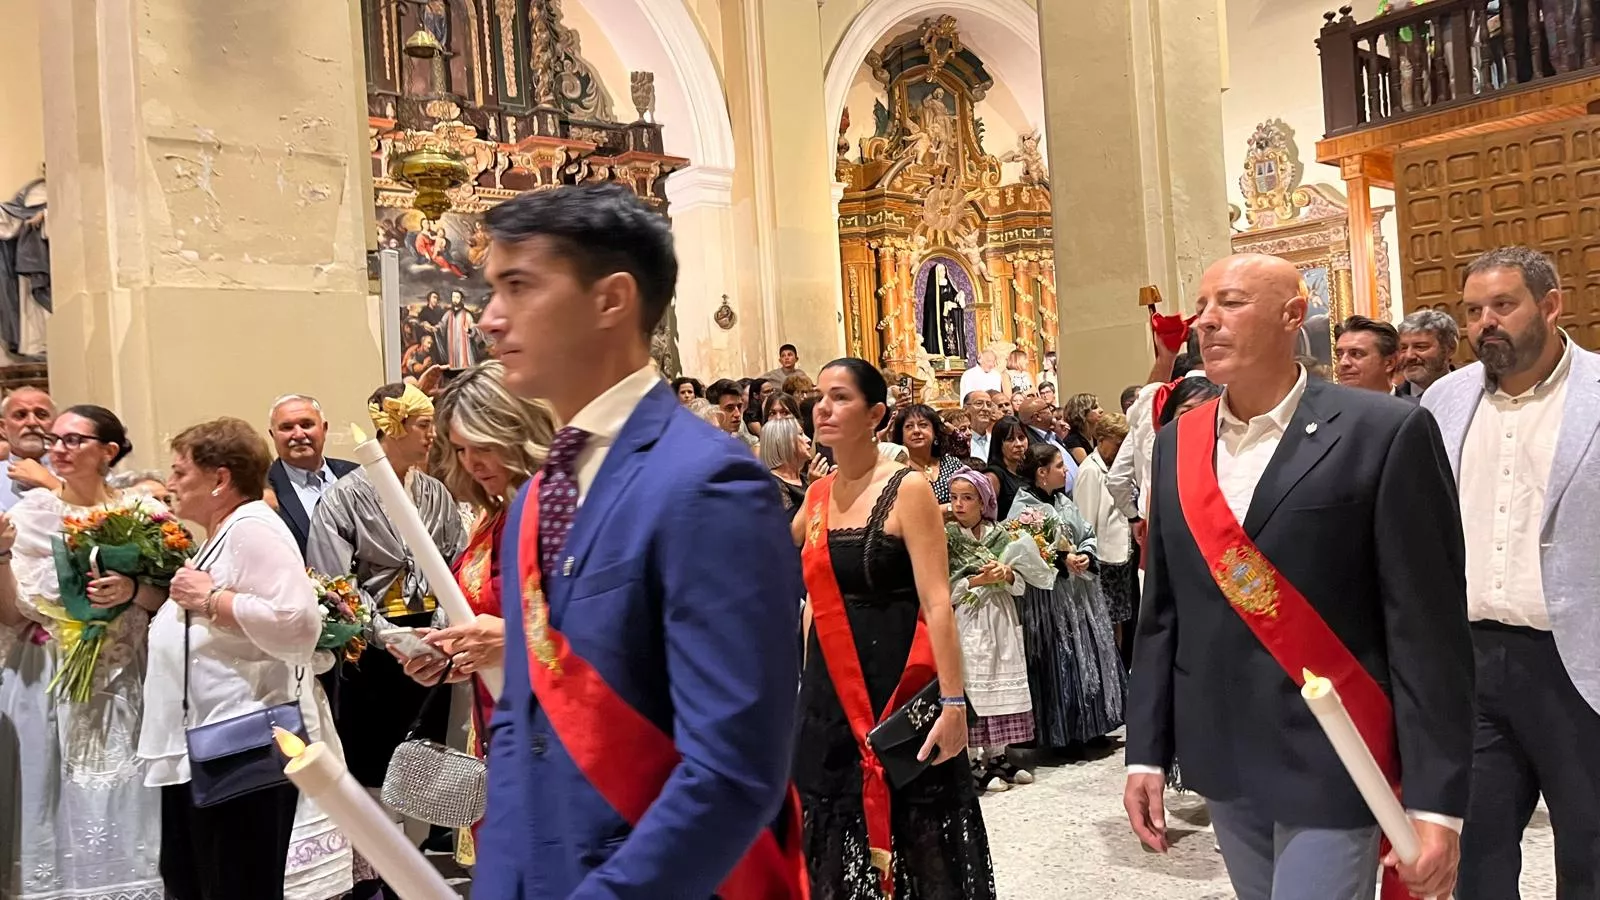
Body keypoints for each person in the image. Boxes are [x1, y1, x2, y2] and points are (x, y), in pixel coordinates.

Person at [473, 183, 805, 898]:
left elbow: (733, 768)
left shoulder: (708, 483)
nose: (489, 320)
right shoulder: (535, 498)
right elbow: (518, 730)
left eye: (518, 286)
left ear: (611, 300)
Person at [1125, 253, 1473, 900]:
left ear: (1294, 314)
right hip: (1223, 751)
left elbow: (1426, 630)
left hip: (1336, 755)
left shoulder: (1385, 432)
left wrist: (1436, 801)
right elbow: (1163, 612)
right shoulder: (1179, 441)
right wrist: (1146, 750)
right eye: (1203, 306)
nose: (1206, 321)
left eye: (1230, 302)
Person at [1420, 246, 1600, 898]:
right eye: (1472, 311)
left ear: (1551, 306)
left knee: (1590, 849)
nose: (1485, 323)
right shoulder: (1444, 400)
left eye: (1503, 305)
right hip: (1470, 663)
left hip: (1577, 665)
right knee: (1476, 853)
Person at [794, 358, 994, 899]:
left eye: (840, 397)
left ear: (876, 414)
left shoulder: (908, 489)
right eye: (819, 396)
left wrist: (954, 705)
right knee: (830, 827)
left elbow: (937, 601)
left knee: (919, 840)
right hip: (829, 690)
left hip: (897, 689)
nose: (823, 407)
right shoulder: (814, 499)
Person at [142, 417, 352, 900]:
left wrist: (212, 599)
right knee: (199, 878)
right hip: (208, 741)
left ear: (220, 479)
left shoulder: (253, 527)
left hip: (240, 747)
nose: (171, 484)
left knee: (235, 881)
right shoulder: (227, 531)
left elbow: (299, 622)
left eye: (181, 472)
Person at [304, 383, 465, 894]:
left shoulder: (436, 493)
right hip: (372, 655)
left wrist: (440, 627)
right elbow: (335, 584)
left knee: (426, 765)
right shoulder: (342, 498)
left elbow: (456, 564)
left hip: (433, 646)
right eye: (422, 425)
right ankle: (378, 877)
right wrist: (386, 634)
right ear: (392, 426)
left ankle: (419, 868)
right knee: (376, 769)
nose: (431, 436)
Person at [0, 407, 165, 900]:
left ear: (108, 451)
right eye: (56, 439)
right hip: (56, 677)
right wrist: (2, 555)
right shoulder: (31, 516)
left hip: (127, 677)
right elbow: (12, 615)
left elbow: (169, 597)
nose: (59, 448)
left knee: (128, 796)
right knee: (56, 798)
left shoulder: (143, 512)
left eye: (74, 440)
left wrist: (133, 588)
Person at [393, 361, 554, 867]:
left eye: (483, 444)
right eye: (461, 449)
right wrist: (446, 651)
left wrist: (511, 640)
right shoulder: (495, 515)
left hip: (559, 735)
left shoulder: (559, 507)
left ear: (518, 429)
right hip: (499, 727)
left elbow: (608, 629)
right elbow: (480, 614)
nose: (473, 461)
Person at [1006, 443, 1125, 750]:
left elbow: (1086, 533)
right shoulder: (1024, 508)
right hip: (1048, 600)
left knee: (1089, 653)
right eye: (1059, 466)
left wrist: (1085, 553)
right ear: (1041, 473)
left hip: (1078, 594)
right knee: (1060, 660)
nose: (1065, 470)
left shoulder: (1062, 501)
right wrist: (1060, 561)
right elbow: (1022, 551)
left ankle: (1092, 724)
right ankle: (1062, 732)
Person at [946, 467, 1052, 792]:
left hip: (1001, 617)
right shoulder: (948, 537)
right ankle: (972, 760)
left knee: (999, 678)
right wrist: (976, 580)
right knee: (974, 683)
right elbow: (941, 587)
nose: (959, 505)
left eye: (968, 498)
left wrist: (1006, 574)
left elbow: (1020, 585)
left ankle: (998, 756)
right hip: (968, 615)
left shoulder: (1001, 535)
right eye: (954, 498)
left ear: (984, 501)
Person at [1073, 411, 1135, 664]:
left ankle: (1119, 669)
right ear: (1101, 439)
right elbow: (1086, 520)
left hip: (1120, 556)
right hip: (1101, 560)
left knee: (1118, 619)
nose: (1120, 450)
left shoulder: (1114, 468)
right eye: (1117, 444)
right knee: (1105, 622)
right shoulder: (1091, 470)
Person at [265, 394, 358, 556]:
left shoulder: (358, 476)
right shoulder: (260, 489)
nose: (299, 435)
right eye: (287, 427)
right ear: (273, 435)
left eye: (307, 425)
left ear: (324, 428)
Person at [893, 403, 962, 504]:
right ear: (901, 436)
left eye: (923, 425)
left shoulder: (952, 464)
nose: (916, 431)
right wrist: (947, 508)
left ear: (935, 432)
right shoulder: (895, 469)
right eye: (909, 426)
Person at [0, 387, 56, 511]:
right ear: (3, 428)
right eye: (20, 415)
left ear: (55, 424)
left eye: (41, 415)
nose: (32, 422)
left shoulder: (79, 473)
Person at [1395, 308, 1458, 398]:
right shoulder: (1392, 401)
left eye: (1420, 347)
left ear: (1450, 348)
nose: (1409, 356)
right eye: (1403, 348)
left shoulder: (1471, 393)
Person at [759, 416, 812, 521]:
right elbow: (791, 533)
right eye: (800, 434)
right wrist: (814, 490)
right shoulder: (772, 485)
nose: (808, 440)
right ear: (782, 441)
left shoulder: (805, 478)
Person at [1333, 314, 1401, 393]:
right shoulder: (1325, 405)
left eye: (1356, 354)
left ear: (1389, 363)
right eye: (1339, 355)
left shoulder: (1412, 405)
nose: (1343, 363)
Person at [983, 415, 1031, 524]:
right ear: (999, 444)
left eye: (1021, 438)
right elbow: (985, 519)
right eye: (1010, 439)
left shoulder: (1028, 470)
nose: (1018, 444)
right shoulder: (992, 476)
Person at [1060, 392, 1101, 466]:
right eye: (1095, 407)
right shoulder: (1073, 441)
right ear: (1082, 413)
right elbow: (1088, 469)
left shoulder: (1094, 437)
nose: (1101, 410)